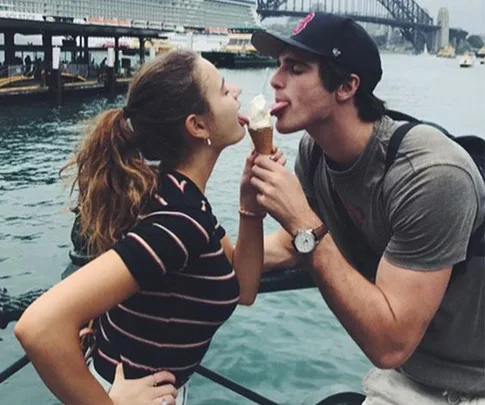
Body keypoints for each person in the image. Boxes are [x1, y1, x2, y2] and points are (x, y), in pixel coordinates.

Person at [15, 49, 284, 405]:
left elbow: (244, 287)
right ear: (198, 126)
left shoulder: (180, 197)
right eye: (222, 89)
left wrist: (250, 208)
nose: (235, 90)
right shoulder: (179, 220)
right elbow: (37, 327)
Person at [249, 12, 485, 405]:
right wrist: (208, 255)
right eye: (279, 65)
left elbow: (389, 345)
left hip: (472, 384)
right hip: (408, 376)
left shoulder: (430, 174)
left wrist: (300, 219)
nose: (275, 80)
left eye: (296, 68)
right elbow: (297, 244)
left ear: (346, 86)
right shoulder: (316, 153)